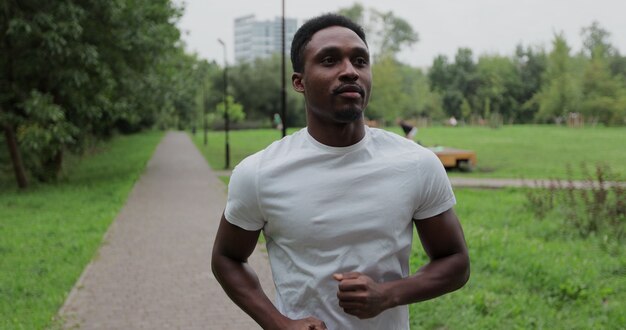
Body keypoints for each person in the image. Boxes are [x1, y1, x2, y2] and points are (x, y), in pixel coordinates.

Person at [211, 13, 469, 330]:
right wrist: (278, 323)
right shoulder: (259, 173)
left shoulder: (416, 164)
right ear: (299, 82)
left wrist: (388, 294)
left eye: (360, 61)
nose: (350, 71)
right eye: (330, 60)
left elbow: (455, 261)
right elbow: (226, 258)